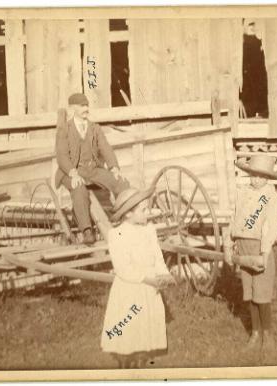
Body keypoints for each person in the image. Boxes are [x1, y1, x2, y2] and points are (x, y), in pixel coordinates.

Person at [101, 187, 175, 368]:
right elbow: (122, 268)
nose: (148, 213)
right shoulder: (117, 234)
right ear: (127, 214)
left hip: (150, 287)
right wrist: (147, 279)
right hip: (130, 288)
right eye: (143, 210)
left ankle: (142, 360)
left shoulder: (149, 230)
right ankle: (126, 363)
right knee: (130, 328)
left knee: (145, 329)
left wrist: (164, 273)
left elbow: (157, 257)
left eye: (147, 208)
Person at [54, 93, 130, 245]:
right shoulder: (65, 129)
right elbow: (61, 155)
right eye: (82, 106)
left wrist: (114, 167)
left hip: (93, 170)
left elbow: (106, 148)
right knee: (79, 189)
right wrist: (73, 174)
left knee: (120, 182)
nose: (86, 108)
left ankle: (126, 218)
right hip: (71, 171)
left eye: (87, 105)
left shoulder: (95, 128)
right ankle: (87, 230)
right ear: (72, 108)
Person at [228, 154, 277, 353]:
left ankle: (267, 334)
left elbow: (270, 226)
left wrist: (264, 253)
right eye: (253, 175)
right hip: (243, 246)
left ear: (267, 178)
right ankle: (255, 333)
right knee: (250, 293)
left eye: (261, 176)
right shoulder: (242, 193)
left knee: (262, 294)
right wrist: (229, 244)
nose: (256, 180)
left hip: (260, 248)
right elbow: (234, 218)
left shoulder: (270, 197)